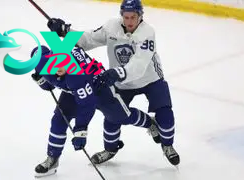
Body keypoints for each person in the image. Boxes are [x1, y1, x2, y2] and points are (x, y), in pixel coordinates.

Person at [46, 0, 180, 166]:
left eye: (133, 17)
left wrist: (118, 72)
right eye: (126, 17)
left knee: (165, 115)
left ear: (140, 16)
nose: (129, 21)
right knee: (112, 117)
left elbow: (139, 64)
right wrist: (66, 31)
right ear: (121, 16)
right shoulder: (111, 26)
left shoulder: (147, 32)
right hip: (122, 81)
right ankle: (110, 149)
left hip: (150, 79)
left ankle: (167, 146)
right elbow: (88, 39)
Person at [31, 45, 160, 177]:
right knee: (59, 119)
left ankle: (150, 123)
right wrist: (42, 81)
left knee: (121, 116)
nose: (58, 69)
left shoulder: (76, 75)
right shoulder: (41, 63)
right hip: (74, 90)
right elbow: (51, 82)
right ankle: (52, 158)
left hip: (99, 87)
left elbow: (87, 104)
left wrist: (80, 131)